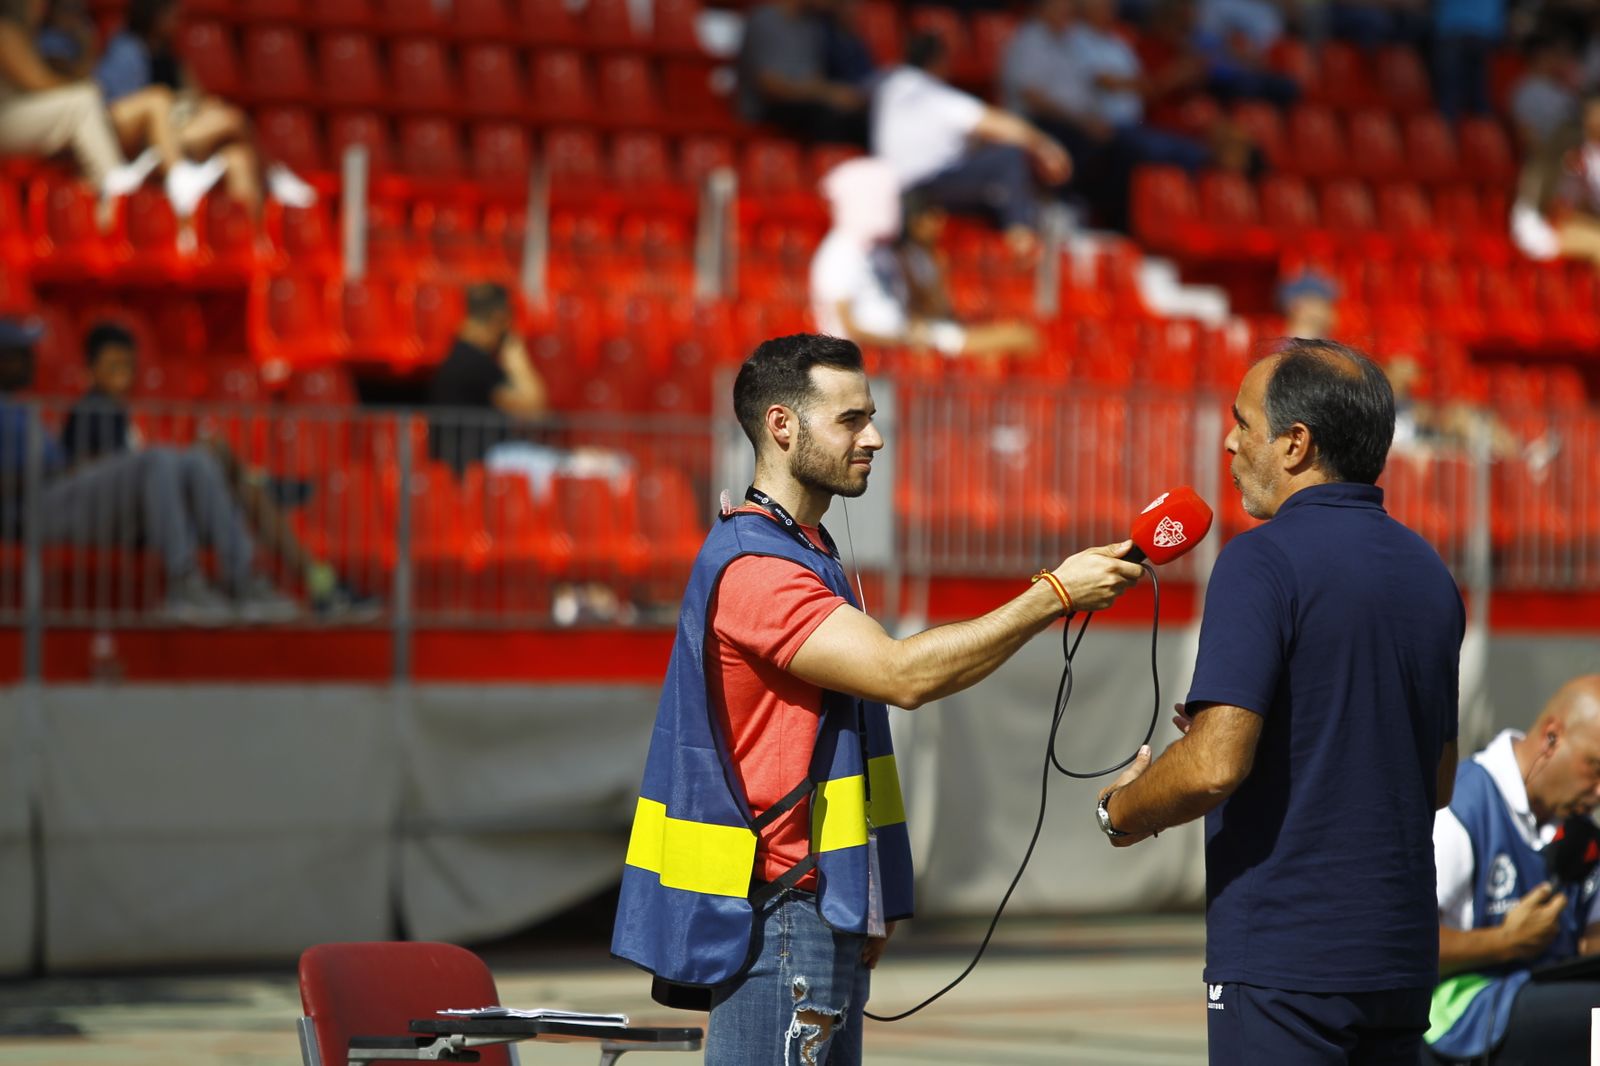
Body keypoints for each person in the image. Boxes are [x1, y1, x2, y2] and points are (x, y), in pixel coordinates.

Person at [611, 333, 1145, 1065]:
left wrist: (868, 892)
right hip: (782, 915)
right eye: (852, 420)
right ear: (782, 426)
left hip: (811, 908)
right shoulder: (760, 569)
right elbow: (903, 676)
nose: (876, 437)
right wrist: (1052, 595)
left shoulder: (803, 550)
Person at [1093, 340, 1465, 1065]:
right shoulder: (1429, 570)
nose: (1229, 441)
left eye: (1243, 421)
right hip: (1400, 955)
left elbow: (1212, 765)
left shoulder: (1260, 559)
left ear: (1295, 444)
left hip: (1288, 958)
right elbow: (1437, 778)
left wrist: (1120, 811)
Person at [59, 320, 371, 618]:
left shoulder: (121, 415)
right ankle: (310, 570)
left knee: (220, 460)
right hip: (136, 518)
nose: (122, 378)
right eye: (113, 368)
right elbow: (100, 481)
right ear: (90, 370)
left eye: (127, 367)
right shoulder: (92, 412)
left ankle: (266, 505)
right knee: (221, 464)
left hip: (159, 510)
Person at [0, 316, 297, 623]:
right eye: (21, 352)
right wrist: (61, 472)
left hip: (65, 495)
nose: (31, 359)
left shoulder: (19, 407)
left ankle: (244, 580)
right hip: (38, 509)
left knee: (195, 461)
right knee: (158, 460)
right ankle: (183, 584)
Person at [1426, 675, 1600, 1065]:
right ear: (1552, 737)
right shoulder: (1462, 808)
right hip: (1461, 1013)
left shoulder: (1580, 832)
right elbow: (1402, 945)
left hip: (1548, 997)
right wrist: (1506, 941)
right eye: (1596, 767)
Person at [92, 0, 314, 215]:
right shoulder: (126, 50)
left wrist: (203, 108)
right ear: (155, 14)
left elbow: (195, 98)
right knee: (231, 119)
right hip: (147, 148)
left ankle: (252, 241)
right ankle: (272, 175)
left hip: (178, 136)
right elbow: (122, 113)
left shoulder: (170, 56)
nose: (179, 21)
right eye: (173, 15)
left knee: (239, 157)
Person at [809, 159, 1039, 359]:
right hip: (883, 353)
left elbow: (913, 306)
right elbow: (845, 328)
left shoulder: (882, 251)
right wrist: (906, 340)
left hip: (908, 341)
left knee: (1024, 337)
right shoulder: (839, 254)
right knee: (1016, 338)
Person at [872, 32, 1070, 255]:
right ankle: (1021, 238)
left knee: (999, 193)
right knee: (1009, 158)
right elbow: (994, 123)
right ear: (938, 61)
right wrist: (1046, 145)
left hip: (896, 187)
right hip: (925, 186)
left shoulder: (887, 85)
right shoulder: (929, 92)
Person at [0, 0, 172, 219]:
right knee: (82, 102)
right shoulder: (5, 29)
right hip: (5, 121)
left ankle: (106, 211)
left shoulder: (29, 33)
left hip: (22, 119)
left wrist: (85, 44)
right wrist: (82, 88)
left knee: (87, 102)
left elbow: (84, 76)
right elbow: (38, 82)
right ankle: (113, 181)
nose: (42, 6)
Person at [737, 0, 867, 145]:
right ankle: (828, 164)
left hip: (803, 102)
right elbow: (771, 87)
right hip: (766, 108)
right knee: (827, 117)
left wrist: (837, 95)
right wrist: (829, 94)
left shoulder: (813, 24)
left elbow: (815, 78)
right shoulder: (764, 20)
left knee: (856, 115)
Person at [1509, 35, 1579, 156]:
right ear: (1540, 56)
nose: (1557, 60)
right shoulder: (1523, 92)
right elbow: (1528, 138)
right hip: (1549, 160)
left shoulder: (1560, 86)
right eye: (1554, 55)